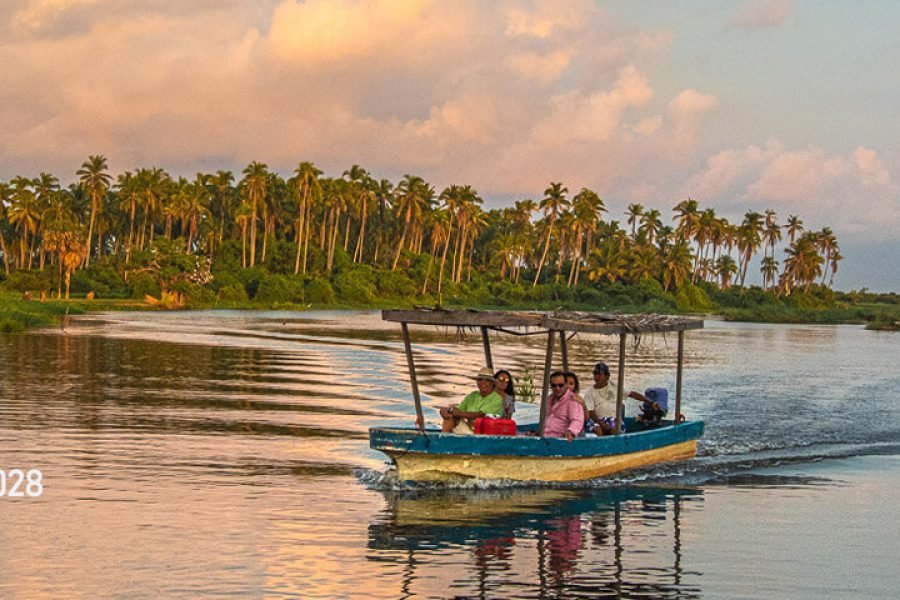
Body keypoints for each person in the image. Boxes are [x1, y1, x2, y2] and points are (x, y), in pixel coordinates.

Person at [439, 367, 504, 433]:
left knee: (453, 418)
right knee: (450, 417)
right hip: (469, 431)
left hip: (484, 434)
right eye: (480, 380)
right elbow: (458, 410)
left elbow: (480, 415)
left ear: (492, 383)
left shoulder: (497, 399)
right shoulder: (473, 395)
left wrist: (459, 413)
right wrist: (446, 411)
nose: (483, 383)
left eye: (487, 380)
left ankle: (442, 438)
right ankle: (444, 436)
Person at [542, 371, 584, 441]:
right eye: (554, 386)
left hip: (560, 439)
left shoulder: (572, 400)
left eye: (560, 385)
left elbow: (577, 420)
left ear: (566, 385)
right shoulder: (549, 399)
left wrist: (571, 432)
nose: (557, 388)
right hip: (545, 436)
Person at [583, 361, 621, 435]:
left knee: (614, 429)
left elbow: (631, 394)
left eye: (599, 374)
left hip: (611, 419)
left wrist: (649, 401)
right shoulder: (590, 392)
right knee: (598, 430)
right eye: (595, 374)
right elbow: (590, 413)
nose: (596, 377)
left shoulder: (613, 386)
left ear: (607, 376)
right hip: (595, 420)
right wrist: (601, 424)